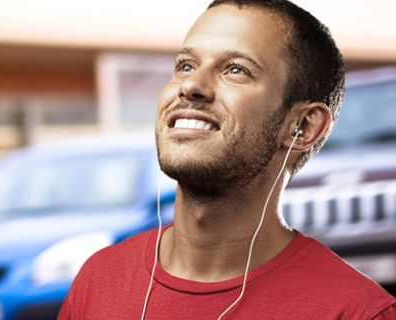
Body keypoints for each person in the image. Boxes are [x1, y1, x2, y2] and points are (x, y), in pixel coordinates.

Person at [58, 0, 396, 319]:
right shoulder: (98, 278)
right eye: (185, 65)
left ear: (303, 126)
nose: (190, 85)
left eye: (235, 70)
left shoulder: (355, 312)